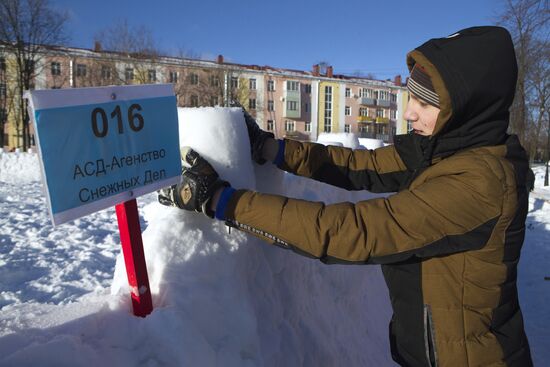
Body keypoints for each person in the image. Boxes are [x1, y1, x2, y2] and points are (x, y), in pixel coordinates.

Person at [158, 26, 533, 367]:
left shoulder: (481, 182)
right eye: (410, 97)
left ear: (466, 108)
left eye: (426, 104)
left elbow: (354, 231)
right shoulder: (443, 149)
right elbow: (361, 164)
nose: (408, 113)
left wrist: (223, 201)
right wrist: (275, 150)